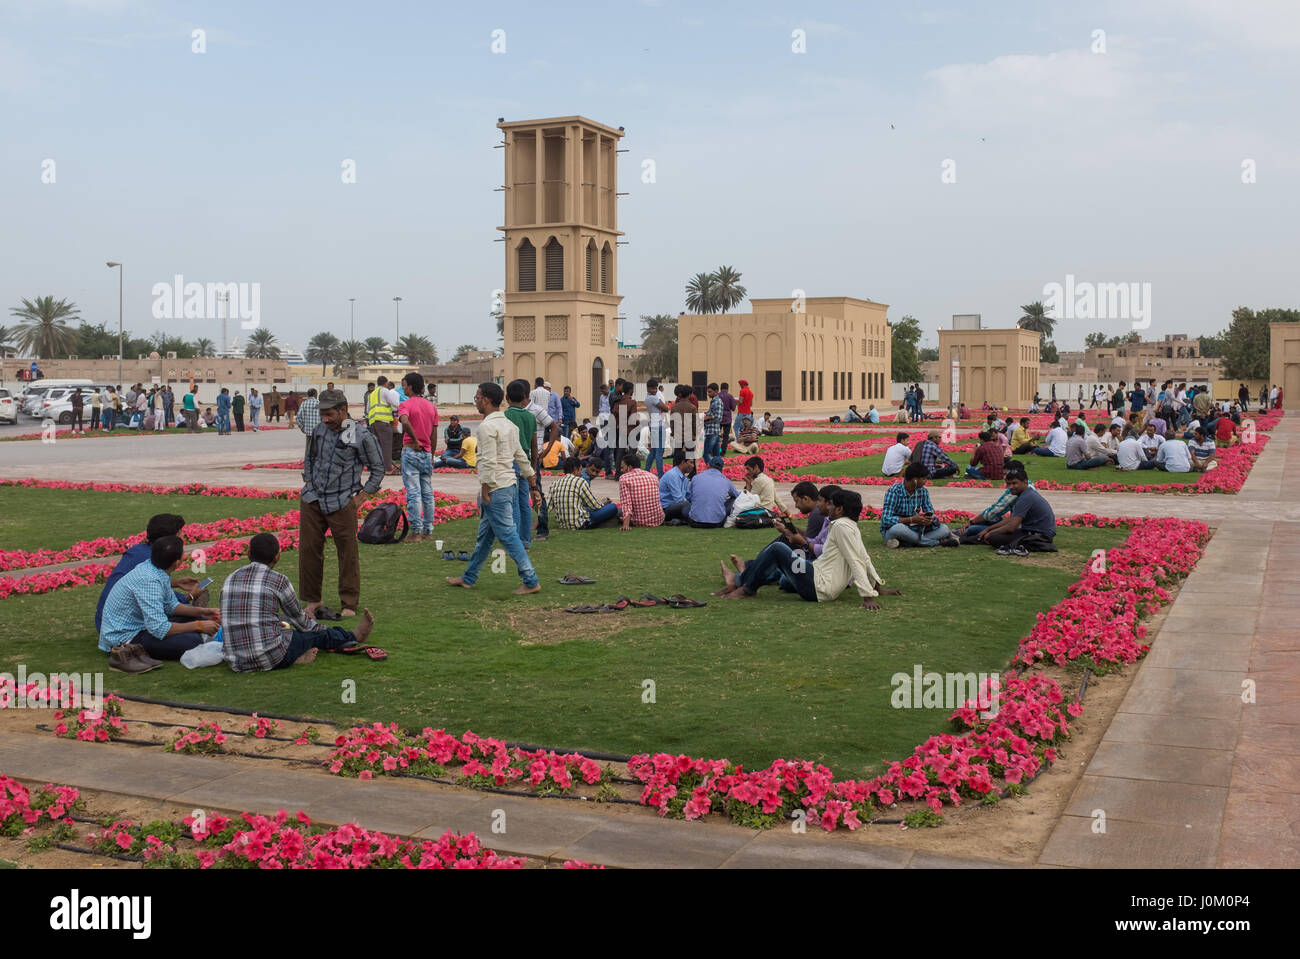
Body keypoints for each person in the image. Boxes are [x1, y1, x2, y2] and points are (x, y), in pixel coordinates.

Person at [718, 490, 899, 611]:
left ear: (840, 509)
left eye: (830, 504)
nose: (827, 507)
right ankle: (742, 579)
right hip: (816, 575)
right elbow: (865, 558)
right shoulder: (849, 526)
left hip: (819, 587)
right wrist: (877, 587)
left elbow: (856, 560)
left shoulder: (841, 527)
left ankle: (747, 588)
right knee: (785, 556)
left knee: (778, 548)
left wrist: (868, 596)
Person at [222, 533, 373, 672]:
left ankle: (296, 656)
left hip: (236, 661)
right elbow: (302, 623)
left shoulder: (230, 578)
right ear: (277, 557)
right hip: (269, 657)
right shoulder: (278, 580)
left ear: (248, 553)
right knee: (314, 636)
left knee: (285, 631)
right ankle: (353, 636)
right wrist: (320, 628)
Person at [446, 382, 540, 594]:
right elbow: (521, 458)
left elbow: (488, 461)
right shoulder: (509, 425)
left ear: (486, 399)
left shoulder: (488, 427)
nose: (476, 400)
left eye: (478, 396)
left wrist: (485, 490)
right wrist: (533, 482)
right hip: (508, 485)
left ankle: (531, 580)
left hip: (496, 488)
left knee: (508, 536)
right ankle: (469, 577)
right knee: (485, 537)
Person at [300, 389, 385, 619]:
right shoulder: (320, 430)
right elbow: (310, 457)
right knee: (309, 551)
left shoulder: (361, 435)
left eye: (329, 414)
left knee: (347, 554)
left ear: (343, 410)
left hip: (341, 501)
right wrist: (308, 481)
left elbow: (378, 469)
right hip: (313, 498)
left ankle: (349, 603)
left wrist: (363, 496)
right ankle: (313, 599)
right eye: (322, 414)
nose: (325, 419)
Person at [99, 536, 222, 670]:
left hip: (141, 625)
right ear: (176, 563)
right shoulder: (149, 581)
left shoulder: (154, 568)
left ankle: (201, 627)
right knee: (192, 641)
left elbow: (170, 606)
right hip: (124, 637)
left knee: (196, 619)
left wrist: (203, 613)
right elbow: (159, 628)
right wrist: (198, 625)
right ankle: (123, 654)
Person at [974, 468, 1056, 555]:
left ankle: (964, 539)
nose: (1010, 487)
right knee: (987, 533)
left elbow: (1011, 527)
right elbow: (1011, 519)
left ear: (1025, 482)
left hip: (1039, 536)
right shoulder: (1026, 494)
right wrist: (988, 529)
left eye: (1014, 483)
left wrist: (990, 533)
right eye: (1008, 484)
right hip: (1036, 532)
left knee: (994, 538)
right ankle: (965, 539)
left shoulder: (1026, 497)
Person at [396, 372, 436, 541]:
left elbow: (404, 421)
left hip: (411, 450)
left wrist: (414, 439)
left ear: (410, 387)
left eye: (404, 385)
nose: (403, 388)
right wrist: (431, 454)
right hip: (426, 452)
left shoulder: (405, 404)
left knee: (413, 493)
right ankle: (428, 530)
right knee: (427, 493)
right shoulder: (431, 406)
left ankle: (416, 531)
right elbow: (434, 434)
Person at [881, 463, 958, 547]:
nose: (926, 481)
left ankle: (907, 543)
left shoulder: (923, 491)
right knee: (898, 529)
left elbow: (931, 512)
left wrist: (929, 519)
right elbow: (886, 520)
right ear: (915, 480)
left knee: (944, 529)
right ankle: (937, 543)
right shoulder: (894, 491)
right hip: (895, 531)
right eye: (924, 479)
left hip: (916, 531)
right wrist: (911, 519)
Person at [548, 456, 618, 530]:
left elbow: (548, 508)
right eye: (580, 470)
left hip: (563, 525)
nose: (581, 473)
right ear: (575, 470)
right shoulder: (581, 481)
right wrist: (603, 505)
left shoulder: (555, 483)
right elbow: (594, 506)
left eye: (597, 472)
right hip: (580, 523)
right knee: (612, 507)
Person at [686, 455, 739, 528]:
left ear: (708, 465)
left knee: (686, 507)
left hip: (694, 522)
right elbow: (736, 495)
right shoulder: (726, 481)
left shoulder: (696, 478)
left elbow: (690, 497)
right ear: (721, 469)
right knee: (733, 499)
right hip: (717, 523)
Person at [616, 452, 664, 530]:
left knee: (615, 511)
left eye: (622, 467)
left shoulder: (624, 478)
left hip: (639, 522)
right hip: (658, 520)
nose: (621, 470)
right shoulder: (653, 476)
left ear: (629, 467)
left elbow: (626, 504)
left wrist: (626, 525)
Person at [365, 376, 400, 475]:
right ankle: (388, 469)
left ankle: (378, 469)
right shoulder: (385, 391)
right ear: (386, 383)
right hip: (383, 422)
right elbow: (396, 403)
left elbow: (368, 410)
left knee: (377, 447)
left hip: (373, 423)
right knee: (386, 446)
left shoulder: (371, 394)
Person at [659, 451, 695, 523]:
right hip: (665, 508)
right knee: (686, 505)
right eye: (691, 462)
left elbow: (689, 496)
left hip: (676, 506)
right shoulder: (672, 475)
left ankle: (681, 520)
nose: (693, 465)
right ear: (683, 462)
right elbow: (678, 499)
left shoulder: (684, 478)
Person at [643, 378, 669, 476]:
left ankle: (646, 470)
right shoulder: (653, 398)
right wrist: (664, 405)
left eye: (655, 389)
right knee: (659, 451)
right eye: (652, 389)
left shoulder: (648, 397)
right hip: (658, 425)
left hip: (653, 424)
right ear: (647, 388)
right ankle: (661, 474)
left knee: (654, 451)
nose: (654, 391)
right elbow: (666, 408)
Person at [670, 384, 699, 460]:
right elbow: (694, 423)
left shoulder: (674, 407)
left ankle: (676, 471)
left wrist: (673, 433)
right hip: (689, 435)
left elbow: (672, 423)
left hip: (678, 435)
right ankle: (692, 472)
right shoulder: (692, 407)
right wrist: (695, 435)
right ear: (689, 395)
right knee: (690, 457)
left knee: (677, 457)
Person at [702, 383, 723, 460]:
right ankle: (717, 470)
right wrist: (705, 414)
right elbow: (713, 414)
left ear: (716, 391)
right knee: (716, 455)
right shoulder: (714, 401)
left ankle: (711, 468)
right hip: (712, 431)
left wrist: (706, 417)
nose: (708, 394)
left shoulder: (717, 401)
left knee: (706, 453)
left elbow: (718, 417)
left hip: (712, 432)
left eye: (710, 392)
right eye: (708, 392)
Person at [718, 382, 737, 449]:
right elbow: (733, 408)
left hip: (718, 417)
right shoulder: (730, 396)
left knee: (716, 436)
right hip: (727, 419)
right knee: (726, 436)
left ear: (720, 388)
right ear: (727, 388)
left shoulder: (717, 396)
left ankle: (716, 450)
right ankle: (723, 451)